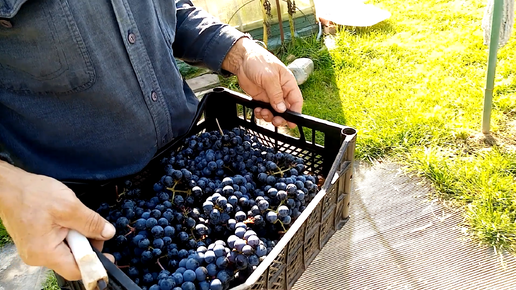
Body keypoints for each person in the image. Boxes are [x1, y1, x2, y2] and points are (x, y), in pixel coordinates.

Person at [0, 0, 303, 284]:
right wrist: (8, 188)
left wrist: (240, 51)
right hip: (88, 217)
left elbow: (168, 9)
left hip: (192, 160)